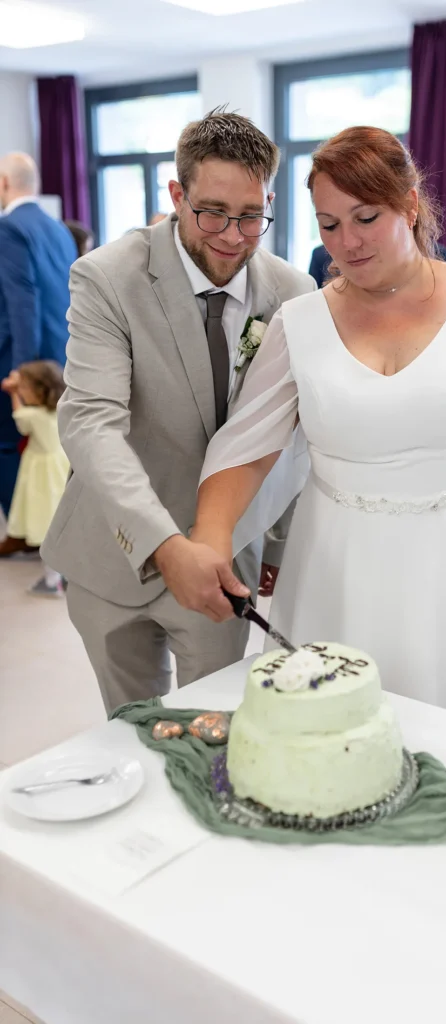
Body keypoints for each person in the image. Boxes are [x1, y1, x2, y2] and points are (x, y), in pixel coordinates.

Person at [192, 127, 446, 742]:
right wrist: (210, 540)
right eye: (328, 224)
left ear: (410, 204)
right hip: (335, 560)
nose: (347, 242)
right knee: (336, 740)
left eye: (365, 217)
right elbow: (247, 447)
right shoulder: (301, 321)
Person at [42, 109, 315, 714]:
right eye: (211, 212)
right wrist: (165, 545)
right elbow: (90, 422)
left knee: (209, 731)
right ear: (176, 194)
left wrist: (277, 543)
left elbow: (295, 432)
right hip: (111, 551)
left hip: (226, 559)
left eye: (252, 216)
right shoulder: (108, 277)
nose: (232, 235)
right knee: (129, 728)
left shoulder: (294, 295)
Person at [0, 153, 76, 522]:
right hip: (60, 359)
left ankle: (24, 529)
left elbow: (22, 302)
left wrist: (20, 375)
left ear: (4, 183)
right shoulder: (59, 229)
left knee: (10, 444)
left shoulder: (8, 228)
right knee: (55, 449)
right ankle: (56, 522)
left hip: (25, 358)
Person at [0, 361, 69, 593]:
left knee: (44, 525)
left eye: (25, 388)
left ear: (39, 390)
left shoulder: (33, 415)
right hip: (60, 472)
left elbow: (19, 419)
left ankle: (51, 582)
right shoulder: (61, 408)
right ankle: (66, 577)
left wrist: (12, 393)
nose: (22, 392)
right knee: (60, 526)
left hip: (42, 478)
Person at [308, 239, 446, 288]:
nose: (349, 243)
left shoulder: (440, 255)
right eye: (330, 225)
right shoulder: (321, 255)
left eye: (367, 219)